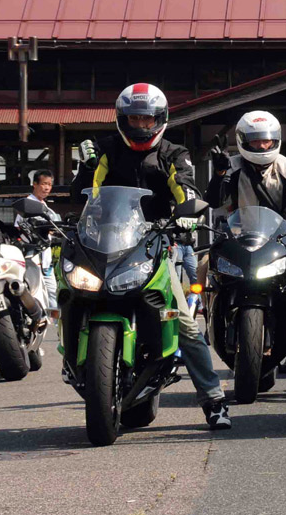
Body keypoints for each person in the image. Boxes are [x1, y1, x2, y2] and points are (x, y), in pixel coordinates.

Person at [70, 83, 231, 430]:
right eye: (134, 119)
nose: (142, 126)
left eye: (147, 119)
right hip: (107, 242)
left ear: (160, 119)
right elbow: (82, 192)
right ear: (122, 119)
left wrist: (187, 211)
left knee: (183, 323)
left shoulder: (174, 153)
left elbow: (185, 185)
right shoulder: (106, 149)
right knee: (71, 290)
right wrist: (84, 166)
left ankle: (214, 401)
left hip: (154, 243)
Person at [205, 111, 286, 379]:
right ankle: (210, 318)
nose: (262, 146)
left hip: (280, 243)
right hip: (239, 241)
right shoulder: (231, 166)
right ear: (243, 141)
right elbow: (214, 201)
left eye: (267, 141)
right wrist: (219, 173)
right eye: (255, 141)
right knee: (203, 271)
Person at [23, 169, 59, 309]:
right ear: (35, 184)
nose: (47, 188)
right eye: (44, 184)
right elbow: (24, 229)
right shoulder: (27, 204)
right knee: (35, 295)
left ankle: (57, 328)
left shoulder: (44, 205)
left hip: (46, 262)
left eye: (49, 185)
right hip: (33, 260)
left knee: (53, 294)